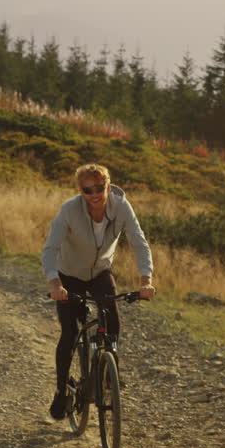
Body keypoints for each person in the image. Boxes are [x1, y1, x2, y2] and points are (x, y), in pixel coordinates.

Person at [42, 163, 154, 421]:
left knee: (112, 321)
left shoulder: (121, 207)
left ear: (108, 185)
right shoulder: (69, 210)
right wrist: (55, 283)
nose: (94, 194)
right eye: (87, 189)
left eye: (99, 187)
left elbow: (139, 242)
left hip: (100, 272)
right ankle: (61, 390)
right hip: (69, 275)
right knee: (70, 332)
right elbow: (49, 250)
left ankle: (107, 375)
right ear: (80, 190)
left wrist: (146, 280)